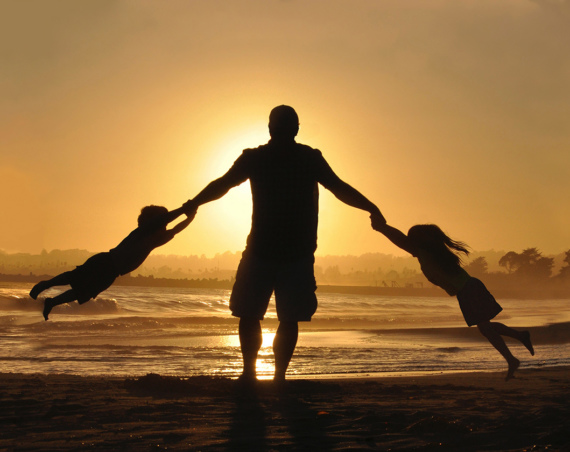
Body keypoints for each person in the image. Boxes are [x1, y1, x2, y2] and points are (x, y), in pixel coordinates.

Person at [183, 105, 385, 383]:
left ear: (269, 128)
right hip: (294, 253)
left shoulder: (259, 158)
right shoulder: (307, 158)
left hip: (265, 251)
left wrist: (194, 203)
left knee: (250, 314)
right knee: (285, 318)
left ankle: (250, 373)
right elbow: (338, 187)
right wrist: (371, 207)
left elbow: (223, 184)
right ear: (296, 129)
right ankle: (277, 376)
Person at [371, 220, 534, 381]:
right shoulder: (435, 253)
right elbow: (402, 240)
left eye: (412, 238)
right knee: (486, 327)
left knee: (485, 327)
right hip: (469, 288)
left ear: (419, 241)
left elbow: (399, 239)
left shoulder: (427, 253)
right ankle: (519, 338)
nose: (409, 242)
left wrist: (382, 228)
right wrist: (382, 227)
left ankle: (512, 358)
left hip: (468, 289)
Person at [30, 205, 195, 320]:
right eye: (163, 223)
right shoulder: (141, 232)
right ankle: (45, 285)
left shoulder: (156, 240)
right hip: (105, 261)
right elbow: (163, 220)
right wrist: (183, 210)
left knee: (84, 293)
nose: (165, 226)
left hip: (112, 273)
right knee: (75, 277)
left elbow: (175, 230)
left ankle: (51, 302)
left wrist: (190, 216)